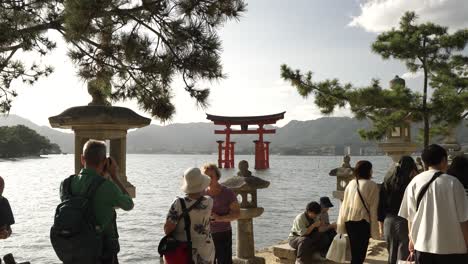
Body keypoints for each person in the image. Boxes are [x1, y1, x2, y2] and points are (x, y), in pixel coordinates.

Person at [399, 144, 468, 264]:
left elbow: (411, 217)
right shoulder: (453, 183)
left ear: (425, 162)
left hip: (422, 245)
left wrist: (412, 240)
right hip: (453, 247)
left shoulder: (414, 182)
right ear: (443, 160)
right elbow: (463, 219)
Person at [67, 140, 134, 264]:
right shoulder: (107, 187)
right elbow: (129, 204)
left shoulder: (67, 184)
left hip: (74, 248)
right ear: (104, 162)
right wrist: (114, 176)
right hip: (102, 251)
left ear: (82, 159)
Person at [164, 167, 215, 264]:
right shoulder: (209, 201)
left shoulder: (178, 203)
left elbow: (167, 229)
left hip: (184, 250)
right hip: (206, 250)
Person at [337, 160, 380, 264]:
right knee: (360, 254)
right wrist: (375, 231)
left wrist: (340, 225)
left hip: (349, 222)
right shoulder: (372, 185)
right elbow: (373, 210)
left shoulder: (351, 183)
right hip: (362, 222)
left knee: (354, 252)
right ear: (368, 171)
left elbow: (344, 206)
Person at [378, 156, 418, 264]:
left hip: (388, 221)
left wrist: (380, 224)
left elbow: (381, 204)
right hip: (404, 222)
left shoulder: (388, 180)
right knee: (404, 257)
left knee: (391, 255)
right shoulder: (412, 182)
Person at [202, 163, 240, 264]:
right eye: (205, 177)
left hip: (223, 234)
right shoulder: (201, 193)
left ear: (217, 177)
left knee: (225, 262)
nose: (208, 179)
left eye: (211, 177)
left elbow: (237, 214)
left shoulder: (228, 193)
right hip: (204, 234)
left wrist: (219, 218)